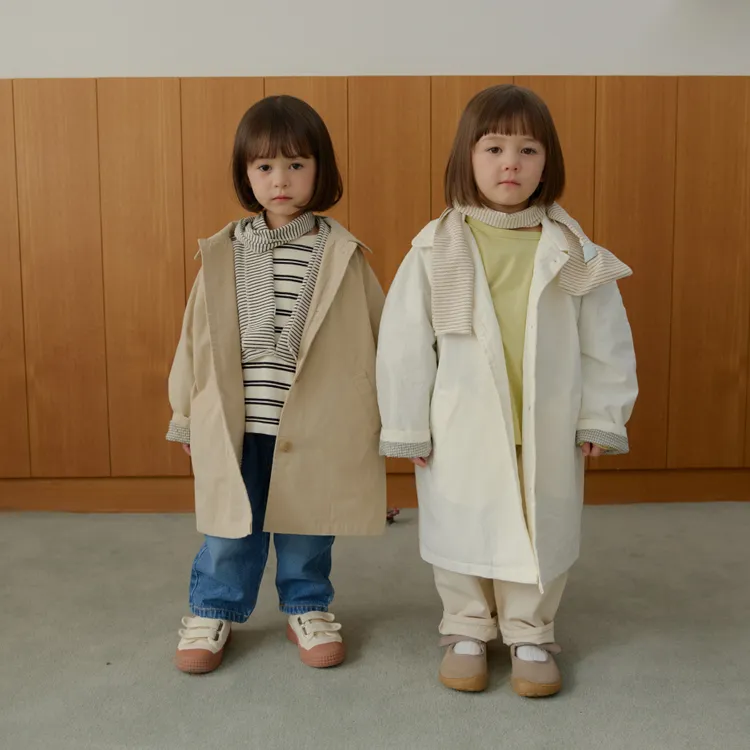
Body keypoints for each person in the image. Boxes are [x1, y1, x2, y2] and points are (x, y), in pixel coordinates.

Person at [376, 84, 637, 697]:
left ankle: (530, 630)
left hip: (546, 423)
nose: (510, 163)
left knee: (539, 524)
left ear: (549, 162)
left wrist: (602, 415)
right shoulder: (435, 249)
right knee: (462, 522)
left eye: (528, 150)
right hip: (461, 425)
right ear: (467, 157)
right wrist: (408, 424)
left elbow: (606, 343)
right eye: (493, 148)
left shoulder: (574, 253)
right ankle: (466, 625)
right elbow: (405, 345)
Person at [167, 95, 386, 674]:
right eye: (264, 166)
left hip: (317, 424)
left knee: (308, 527)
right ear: (245, 174)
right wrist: (185, 417)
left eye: (296, 164)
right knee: (228, 529)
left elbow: (380, 339)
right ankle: (212, 609)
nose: (280, 180)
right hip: (238, 424)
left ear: (320, 170)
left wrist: (391, 417)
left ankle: (307, 607)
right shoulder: (223, 254)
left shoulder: (344, 256)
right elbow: (195, 341)